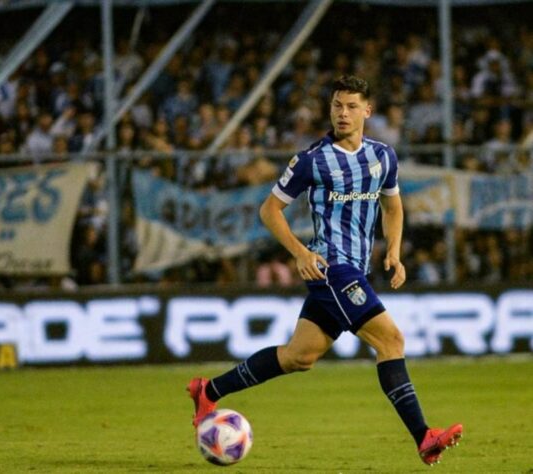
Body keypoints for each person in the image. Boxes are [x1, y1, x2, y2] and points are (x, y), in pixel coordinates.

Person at [187, 75, 463, 466]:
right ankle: (424, 436)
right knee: (391, 342)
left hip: (356, 270)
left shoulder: (383, 156)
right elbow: (269, 210)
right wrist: (300, 252)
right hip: (331, 269)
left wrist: (395, 252)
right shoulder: (312, 160)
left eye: (351, 106)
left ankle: (208, 389)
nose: (343, 113)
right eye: (337, 105)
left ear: (367, 110)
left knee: (300, 356)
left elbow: (393, 206)